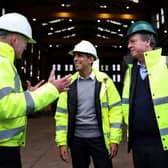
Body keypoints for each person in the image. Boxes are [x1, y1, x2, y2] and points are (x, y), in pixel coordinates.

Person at [0, 12, 71, 168]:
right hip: (3, 149)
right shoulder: (2, 63)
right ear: (13, 40)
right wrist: (51, 90)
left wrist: (29, 95)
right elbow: (5, 106)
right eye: (25, 42)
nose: (26, 47)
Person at [55, 40, 123, 168]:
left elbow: (115, 111)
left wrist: (114, 139)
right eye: (74, 55)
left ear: (91, 59)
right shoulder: (69, 83)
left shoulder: (105, 81)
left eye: (80, 55)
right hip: (77, 140)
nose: (75, 59)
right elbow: (61, 115)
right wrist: (62, 143)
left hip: (99, 139)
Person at [122, 20, 168, 168]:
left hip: (162, 143)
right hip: (138, 143)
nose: (129, 46)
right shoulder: (130, 71)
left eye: (133, 41)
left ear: (147, 41)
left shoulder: (166, 65)